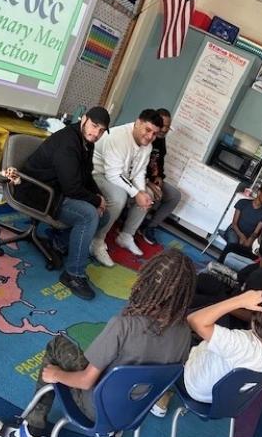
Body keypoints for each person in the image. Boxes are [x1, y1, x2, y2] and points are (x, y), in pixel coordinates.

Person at [0, 249, 196, 437]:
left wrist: (56, 375)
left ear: (144, 281)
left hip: (94, 407)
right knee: (118, 374)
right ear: (184, 294)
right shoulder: (185, 334)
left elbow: (86, 381)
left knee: (58, 345)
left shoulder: (124, 325)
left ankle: (31, 433)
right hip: (132, 413)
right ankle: (106, 434)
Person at [13, 107, 111, 300]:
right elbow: (73, 188)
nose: (96, 133)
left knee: (103, 213)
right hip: (39, 192)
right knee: (89, 215)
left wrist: (100, 198)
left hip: (56, 189)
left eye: (101, 130)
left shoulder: (86, 141)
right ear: (83, 119)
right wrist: (96, 200)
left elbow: (85, 176)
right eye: (94, 126)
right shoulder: (68, 142)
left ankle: (59, 242)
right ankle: (73, 274)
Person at [90, 109, 163, 265]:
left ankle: (126, 235)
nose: (150, 136)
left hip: (120, 176)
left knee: (147, 194)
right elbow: (113, 175)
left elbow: (139, 172)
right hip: (98, 173)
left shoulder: (147, 146)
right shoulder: (118, 137)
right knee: (118, 197)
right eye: (147, 130)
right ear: (137, 123)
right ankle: (97, 241)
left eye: (155, 133)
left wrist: (142, 192)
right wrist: (136, 193)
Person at [139, 108, 182, 245]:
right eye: (162, 126)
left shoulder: (161, 140)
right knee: (153, 193)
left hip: (150, 179)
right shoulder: (146, 138)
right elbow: (136, 168)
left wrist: (159, 177)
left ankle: (149, 226)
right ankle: (129, 225)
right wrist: (149, 183)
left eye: (168, 127)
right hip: (138, 178)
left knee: (175, 195)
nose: (164, 129)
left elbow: (159, 161)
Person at [218, 183, 262, 263]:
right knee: (233, 241)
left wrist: (249, 240)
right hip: (234, 230)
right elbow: (234, 223)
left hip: (248, 236)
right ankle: (220, 262)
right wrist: (242, 236)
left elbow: (255, 232)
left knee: (246, 247)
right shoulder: (243, 203)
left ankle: (230, 266)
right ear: (259, 192)